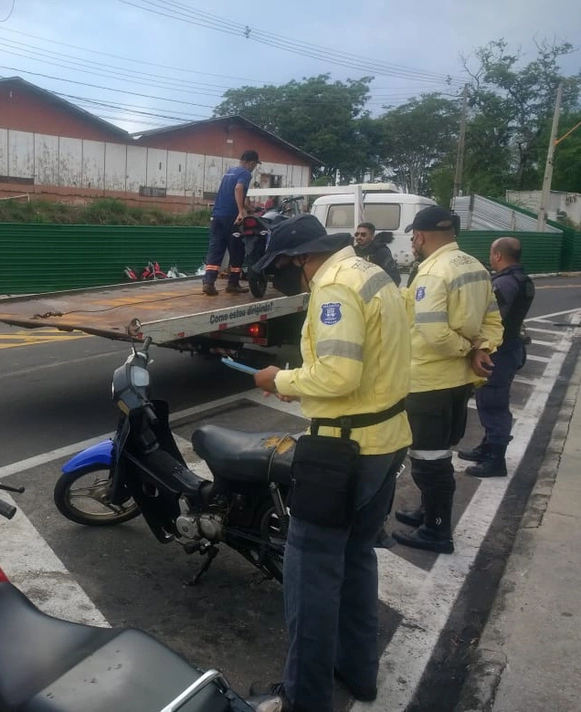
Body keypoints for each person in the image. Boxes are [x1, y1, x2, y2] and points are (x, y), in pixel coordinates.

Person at [247, 214, 412, 712]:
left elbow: (339, 373)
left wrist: (282, 380)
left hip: (343, 452)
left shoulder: (334, 286)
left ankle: (304, 698)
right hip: (385, 438)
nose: (280, 274)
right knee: (358, 561)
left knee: (310, 577)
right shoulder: (371, 273)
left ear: (300, 258)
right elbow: (364, 366)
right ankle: (359, 673)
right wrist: (310, 383)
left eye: (280, 264)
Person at [392, 206, 503, 553]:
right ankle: (427, 513)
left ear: (421, 236)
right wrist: (481, 346)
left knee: (429, 460)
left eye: (413, 237)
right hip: (457, 382)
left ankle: (437, 531)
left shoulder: (432, 273)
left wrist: (467, 349)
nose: (413, 243)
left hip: (429, 381)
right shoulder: (474, 266)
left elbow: (434, 333)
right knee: (438, 452)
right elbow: (493, 319)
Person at [459, 237, 535, 477]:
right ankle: (488, 446)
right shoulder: (522, 279)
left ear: (498, 256)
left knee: (493, 405)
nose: (490, 257)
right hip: (508, 347)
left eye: (492, 253)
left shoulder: (505, 284)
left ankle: (496, 460)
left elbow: (493, 317)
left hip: (499, 350)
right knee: (488, 401)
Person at [202, 149, 259, 296]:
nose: (254, 168)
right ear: (251, 163)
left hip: (217, 216)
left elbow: (233, 194)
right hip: (231, 217)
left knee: (216, 249)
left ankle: (208, 282)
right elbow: (238, 189)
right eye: (255, 165)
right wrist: (241, 211)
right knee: (236, 249)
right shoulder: (245, 174)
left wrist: (250, 208)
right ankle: (233, 283)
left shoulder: (230, 172)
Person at [353, 222, 401, 286]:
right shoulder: (353, 251)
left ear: (372, 236)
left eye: (363, 235)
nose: (359, 237)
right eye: (357, 234)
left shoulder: (381, 252)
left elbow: (394, 277)